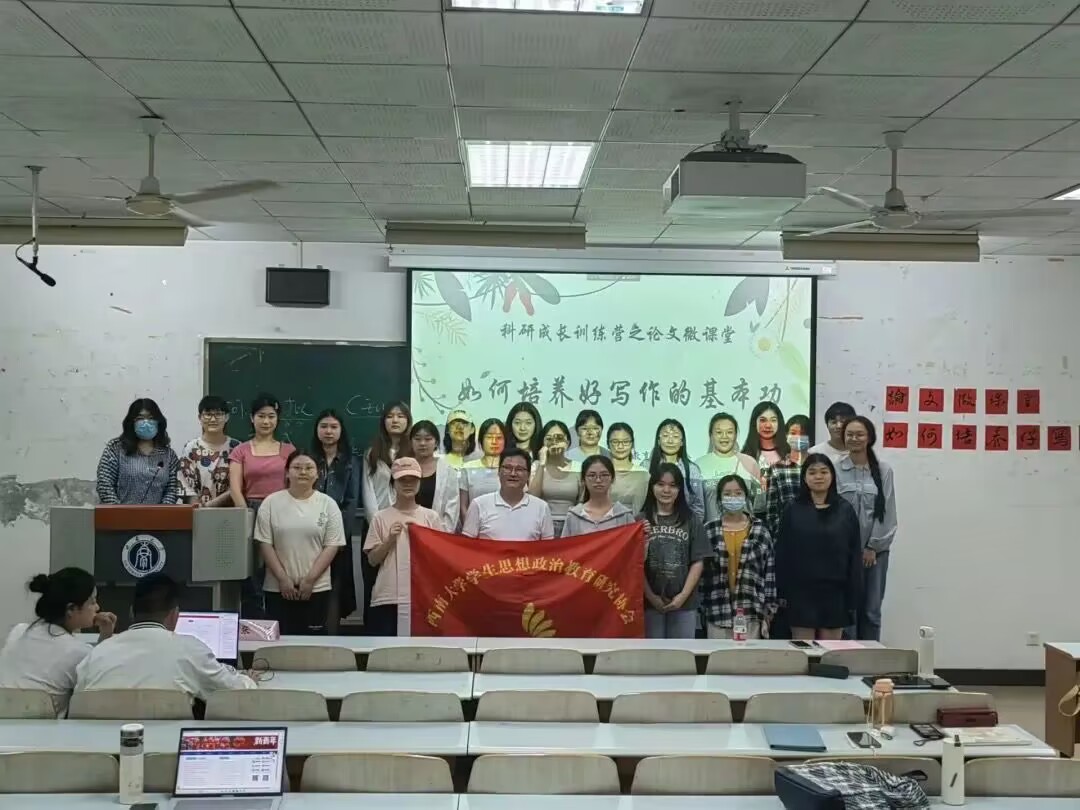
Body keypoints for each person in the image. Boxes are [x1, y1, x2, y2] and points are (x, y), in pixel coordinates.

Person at [75, 573, 257, 701]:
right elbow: (235, 692)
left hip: (104, 744)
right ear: (174, 615)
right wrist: (248, 679)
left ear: (131, 612)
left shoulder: (96, 654)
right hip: (170, 744)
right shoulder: (190, 650)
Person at [0, 569, 117, 716]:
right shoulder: (78, 652)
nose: (97, 608)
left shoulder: (18, 631)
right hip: (44, 729)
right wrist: (106, 637)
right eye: (92, 602)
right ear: (71, 609)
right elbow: (99, 680)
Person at [255, 449, 345, 635]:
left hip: (316, 587)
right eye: (297, 467)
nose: (303, 472)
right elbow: (265, 543)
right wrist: (283, 579)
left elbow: (332, 545)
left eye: (309, 468)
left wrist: (310, 580)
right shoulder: (271, 503)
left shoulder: (328, 504)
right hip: (278, 587)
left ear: (318, 473)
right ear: (287, 473)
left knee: (313, 642)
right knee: (279, 641)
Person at [774, 454, 862, 641]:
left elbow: (854, 554)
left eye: (824, 472)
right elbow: (782, 553)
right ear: (804, 478)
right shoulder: (792, 509)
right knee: (804, 651)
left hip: (835, 593)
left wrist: (853, 595)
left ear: (832, 476)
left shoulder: (845, 510)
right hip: (800, 593)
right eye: (812, 472)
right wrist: (781, 592)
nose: (818, 477)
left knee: (831, 652)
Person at [363, 458, 443, 636]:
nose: (408, 484)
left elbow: (439, 560)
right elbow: (372, 560)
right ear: (393, 483)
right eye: (402, 480)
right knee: (385, 649)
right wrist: (390, 539)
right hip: (388, 596)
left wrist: (422, 538)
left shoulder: (431, 517)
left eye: (413, 480)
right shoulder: (380, 517)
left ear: (419, 483)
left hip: (422, 596)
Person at [836, 416, 897, 641]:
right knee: (847, 612)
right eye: (850, 434)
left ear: (869, 437)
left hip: (875, 554)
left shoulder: (883, 470)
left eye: (859, 434)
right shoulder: (835, 468)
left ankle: (871, 656)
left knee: (871, 611)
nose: (854, 438)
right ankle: (848, 656)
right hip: (844, 553)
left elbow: (888, 513)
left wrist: (873, 546)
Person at [700, 476, 777, 640]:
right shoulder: (709, 530)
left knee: (748, 656)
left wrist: (769, 609)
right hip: (717, 611)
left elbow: (769, 572)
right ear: (720, 498)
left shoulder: (760, 530)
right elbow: (701, 574)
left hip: (751, 611)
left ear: (746, 496)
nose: (733, 497)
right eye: (727, 494)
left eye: (738, 493)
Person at [638, 463, 709, 639]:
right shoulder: (640, 521)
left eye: (672, 485)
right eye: (660, 484)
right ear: (652, 486)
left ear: (680, 489)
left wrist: (683, 596)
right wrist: (651, 597)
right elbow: (634, 565)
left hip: (684, 604)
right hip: (648, 603)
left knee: (682, 653)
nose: (666, 490)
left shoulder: (691, 520)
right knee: (653, 653)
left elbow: (698, 561)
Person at [311, 409, 360, 631]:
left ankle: (332, 636)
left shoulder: (351, 462)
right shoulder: (308, 459)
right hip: (309, 535)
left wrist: (340, 537)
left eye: (333, 427)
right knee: (312, 585)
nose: (328, 431)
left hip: (339, 536)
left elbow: (351, 501)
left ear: (341, 431)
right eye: (324, 426)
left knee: (336, 589)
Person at [96, 397, 180, 505]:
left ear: (159, 422)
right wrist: (120, 511)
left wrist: (161, 512)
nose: (146, 422)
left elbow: (172, 489)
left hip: (159, 515)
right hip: (120, 514)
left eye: (151, 418)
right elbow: (105, 485)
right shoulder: (115, 449)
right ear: (131, 422)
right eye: (140, 418)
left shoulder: (169, 455)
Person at [462, 448, 554, 541]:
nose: (513, 474)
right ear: (499, 472)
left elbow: (548, 547)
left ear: (528, 475)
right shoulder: (479, 505)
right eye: (507, 468)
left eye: (519, 469)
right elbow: (467, 545)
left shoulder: (542, 508)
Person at [228, 393, 295, 508]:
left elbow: (296, 485)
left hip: (283, 507)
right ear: (252, 418)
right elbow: (235, 490)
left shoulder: (289, 450)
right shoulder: (240, 451)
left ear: (277, 419)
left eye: (271, 416)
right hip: (251, 507)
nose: (266, 422)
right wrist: (245, 514)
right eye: (261, 416)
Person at [696, 412, 762, 520]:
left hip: (745, 529)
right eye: (719, 432)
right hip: (710, 529)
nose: (724, 436)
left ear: (736, 435)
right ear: (711, 435)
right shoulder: (698, 465)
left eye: (729, 432)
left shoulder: (750, 463)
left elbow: (759, 506)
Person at [178, 395, 240, 507]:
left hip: (231, 511)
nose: (213, 419)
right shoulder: (191, 448)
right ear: (199, 417)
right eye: (208, 414)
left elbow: (240, 485)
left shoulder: (237, 448)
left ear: (226, 417)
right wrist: (201, 510)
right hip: (198, 512)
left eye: (218, 414)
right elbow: (186, 487)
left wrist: (210, 506)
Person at [561, 455, 635, 537]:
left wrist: (643, 536)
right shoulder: (574, 515)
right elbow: (565, 544)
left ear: (612, 478)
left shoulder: (624, 515)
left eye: (604, 475)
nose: (598, 480)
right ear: (583, 480)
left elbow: (634, 543)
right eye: (592, 475)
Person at [529, 419, 580, 537]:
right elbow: (533, 497)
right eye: (549, 438)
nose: (554, 442)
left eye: (559, 438)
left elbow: (582, 500)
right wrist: (542, 463)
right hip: (543, 524)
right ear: (543, 442)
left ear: (567, 441)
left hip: (572, 524)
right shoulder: (536, 466)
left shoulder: (578, 467)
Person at [361, 401, 412, 519]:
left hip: (407, 519)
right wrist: (376, 521)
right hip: (377, 518)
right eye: (389, 416)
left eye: (400, 416)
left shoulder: (413, 452)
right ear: (383, 421)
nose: (395, 420)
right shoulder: (372, 453)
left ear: (408, 421)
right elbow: (368, 490)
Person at [647, 419, 705, 521]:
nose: (670, 441)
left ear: (682, 442)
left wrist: (691, 527)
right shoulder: (646, 467)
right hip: (653, 524)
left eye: (675, 436)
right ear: (658, 441)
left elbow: (698, 507)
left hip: (684, 525)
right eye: (665, 436)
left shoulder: (692, 470)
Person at [410, 420, 460, 531]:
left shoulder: (448, 471)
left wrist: (440, 534)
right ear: (411, 442)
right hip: (406, 530)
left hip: (438, 533)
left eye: (428, 439)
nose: (422, 443)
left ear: (436, 442)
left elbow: (452, 507)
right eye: (417, 439)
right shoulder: (404, 467)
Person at [459, 418, 507, 525]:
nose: (494, 442)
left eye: (499, 438)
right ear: (481, 441)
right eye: (489, 437)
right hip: (474, 527)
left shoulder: (511, 468)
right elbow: (463, 506)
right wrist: (470, 528)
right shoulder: (467, 468)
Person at [741, 401, 789, 479]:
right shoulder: (746, 455)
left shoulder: (788, 453)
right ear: (754, 423)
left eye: (773, 420)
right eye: (763, 420)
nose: (768, 425)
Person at [608, 422, 648, 513]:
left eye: (625, 442)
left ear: (632, 444)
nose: (620, 446)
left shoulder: (643, 474)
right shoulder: (600, 472)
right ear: (608, 444)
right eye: (615, 442)